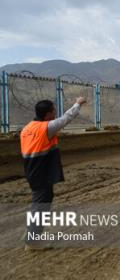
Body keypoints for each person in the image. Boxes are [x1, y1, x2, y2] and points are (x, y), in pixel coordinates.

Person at [21, 97, 87, 250]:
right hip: (42, 172)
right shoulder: (46, 128)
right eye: (53, 110)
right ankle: (33, 241)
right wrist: (78, 103)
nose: (55, 112)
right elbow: (66, 118)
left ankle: (32, 232)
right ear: (47, 114)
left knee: (40, 201)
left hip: (31, 170)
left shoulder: (27, 128)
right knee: (41, 204)